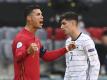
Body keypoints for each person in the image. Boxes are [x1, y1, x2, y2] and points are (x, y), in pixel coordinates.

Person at [12, 5, 74, 80]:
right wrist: (28, 51)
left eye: (41, 14)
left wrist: (66, 49)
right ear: (29, 18)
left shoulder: (36, 39)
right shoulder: (21, 38)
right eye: (38, 14)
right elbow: (18, 57)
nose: (42, 17)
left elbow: (46, 56)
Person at [60, 11, 100, 80]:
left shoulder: (86, 40)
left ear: (73, 23)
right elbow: (68, 66)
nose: (61, 27)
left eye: (64, 24)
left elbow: (95, 64)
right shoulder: (67, 42)